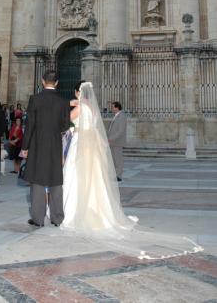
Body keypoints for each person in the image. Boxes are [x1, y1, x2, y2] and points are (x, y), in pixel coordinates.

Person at [61, 81, 203, 259]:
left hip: (79, 143)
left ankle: (74, 211)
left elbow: (64, 121)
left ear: (77, 92)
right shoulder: (91, 108)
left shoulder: (80, 108)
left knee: (76, 175)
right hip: (91, 147)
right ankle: (98, 209)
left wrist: (67, 106)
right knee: (94, 178)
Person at [21, 70, 70, 227]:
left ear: (43, 81)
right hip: (55, 144)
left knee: (38, 181)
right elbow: (65, 125)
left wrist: (25, 146)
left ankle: (38, 219)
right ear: (56, 83)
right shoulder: (63, 101)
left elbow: (29, 125)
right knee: (56, 180)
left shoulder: (35, 99)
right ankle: (57, 218)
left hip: (37, 144)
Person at [108, 102, 127, 181]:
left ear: (117, 108)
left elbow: (120, 131)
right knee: (114, 159)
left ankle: (119, 176)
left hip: (117, 142)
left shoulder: (121, 116)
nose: (111, 109)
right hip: (113, 142)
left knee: (118, 159)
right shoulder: (116, 116)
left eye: (113, 107)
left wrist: (111, 138)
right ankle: (115, 174)